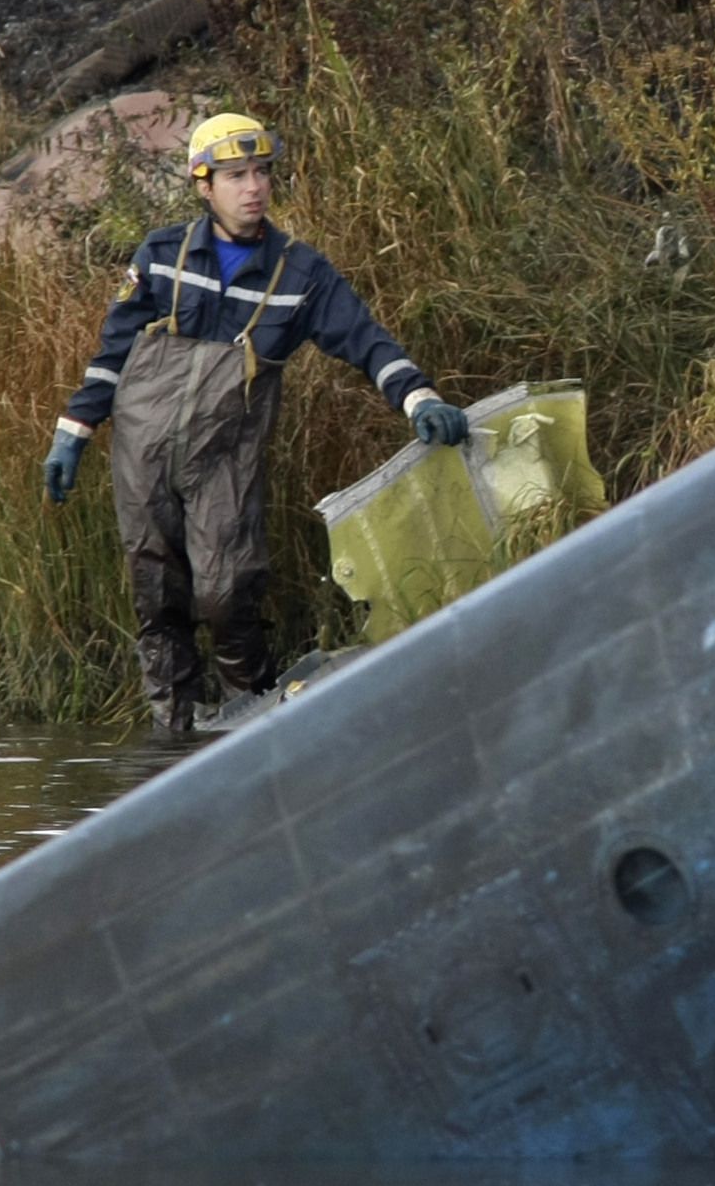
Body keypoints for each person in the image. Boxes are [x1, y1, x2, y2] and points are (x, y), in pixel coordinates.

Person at [43, 111, 466, 736]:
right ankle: (175, 736)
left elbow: (368, 342)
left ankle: (259, 720)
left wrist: (420, 399)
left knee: (224, 592)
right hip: (142, 455)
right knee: (158, 600)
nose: (254, 187)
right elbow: (113, 354)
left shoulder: (300, 274)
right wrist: (71, 435)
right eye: (236, 175)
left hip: (225, 459)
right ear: (203, 185)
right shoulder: (161, 255)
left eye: (262, 173)